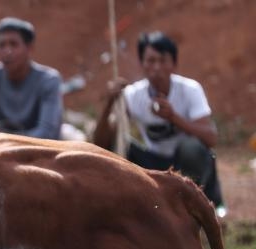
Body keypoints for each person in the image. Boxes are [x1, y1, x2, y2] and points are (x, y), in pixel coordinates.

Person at [93, 31, 224, 210]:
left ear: (174, 64)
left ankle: (193, 203)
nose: (156, 67)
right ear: (142, 64)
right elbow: (101, 142)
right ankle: (124, 203)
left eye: (162, 61)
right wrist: (110, 103)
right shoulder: (133, 95)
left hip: (183, 164)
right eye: (151, 61)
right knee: (119, 144)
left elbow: (211, 138)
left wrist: (174, 118)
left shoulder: (190, 90)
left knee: (191, 147)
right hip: (153, 163)